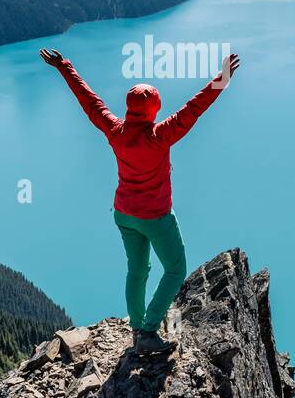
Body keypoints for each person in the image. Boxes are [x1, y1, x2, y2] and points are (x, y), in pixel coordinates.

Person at [39, 48, 240, 355]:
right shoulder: (161, 135)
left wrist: (64, 66)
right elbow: (194, 108)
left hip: (124, 214)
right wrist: (222, 78)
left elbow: (89, 101)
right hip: (156, 217)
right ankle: (148, 329)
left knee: (137, 269)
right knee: (175, 269)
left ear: (129, 107)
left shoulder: (115, 130)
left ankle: (137, 327)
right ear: (154, 110)